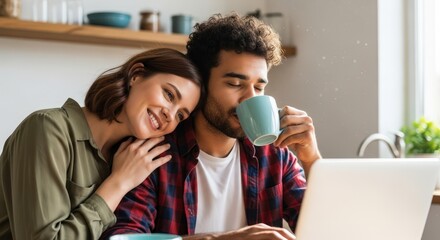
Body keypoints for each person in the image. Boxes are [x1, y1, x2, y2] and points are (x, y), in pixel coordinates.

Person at [102, 13, 322, 240]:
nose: (250, 98)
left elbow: (327, 231)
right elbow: (123, 236)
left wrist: (312, 161)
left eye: (258, 87)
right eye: (235, 84)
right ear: (201, 85)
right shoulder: (153, 156)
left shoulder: (275, 155)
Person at [0, 48, 201, 239]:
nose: (170, 114)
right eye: (169, 94)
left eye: (180, 115)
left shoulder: (131, 159)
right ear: (136, 75)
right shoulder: (47, 129)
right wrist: (118, 183)